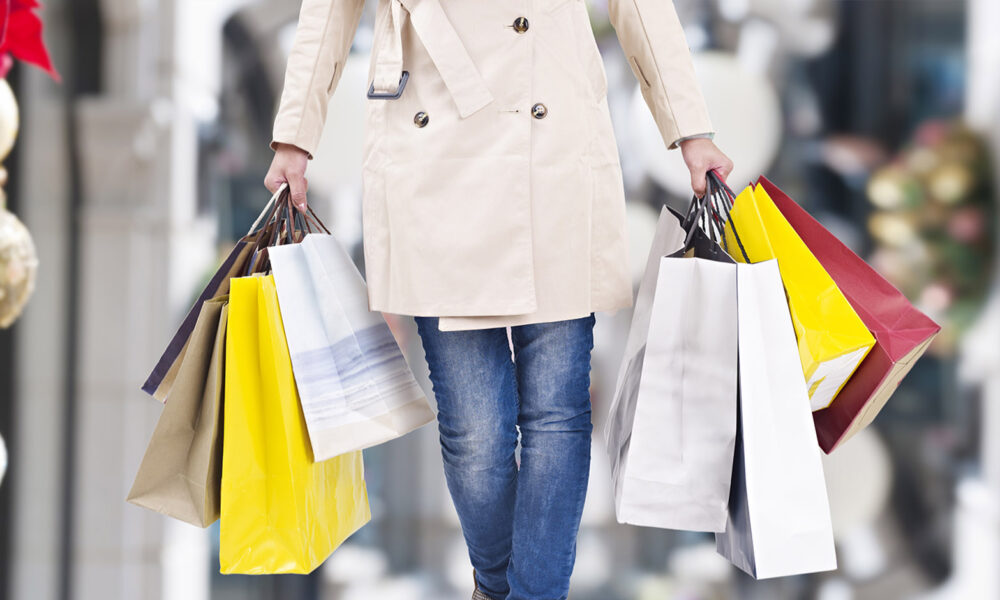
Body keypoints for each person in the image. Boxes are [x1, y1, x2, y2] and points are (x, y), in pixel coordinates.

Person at [264, 0, 733, 598]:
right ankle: (494, 584)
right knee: (476, 431)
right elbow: (328, 12)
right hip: (431, 147)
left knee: (557, 413)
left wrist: (690, 129)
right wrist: (295, 139)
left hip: (553, 149)